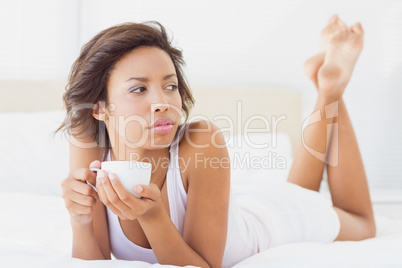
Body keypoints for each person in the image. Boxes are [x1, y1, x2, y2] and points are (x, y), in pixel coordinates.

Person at [56, 14, 376, 268]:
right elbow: (93, 262)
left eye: (170, 86)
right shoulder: (88, 142)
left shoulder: (200, 140)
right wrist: (80, 221)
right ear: (100, 108)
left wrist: (152, 217)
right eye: (139, 89)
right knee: (297, 192)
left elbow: (205, 266)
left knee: (361, 224)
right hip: (244, 206)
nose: (163, 101)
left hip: (274, 224)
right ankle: (326, 85)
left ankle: (331, 88)